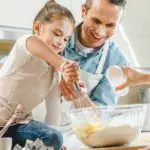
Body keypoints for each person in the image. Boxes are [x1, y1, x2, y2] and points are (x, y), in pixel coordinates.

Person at [0, 0, 79, 149]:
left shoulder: (54, 75)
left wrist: (56, 142)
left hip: (15, 127)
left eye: (66, 39)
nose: (61, 42)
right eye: (57, 34)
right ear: (37, 28)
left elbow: (52, 114)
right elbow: (33, 42)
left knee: (53, 136)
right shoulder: (24, 48)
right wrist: (62, 64)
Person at [59, 0, 129, 107]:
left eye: (110, 25)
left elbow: (100, 116)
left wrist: (82, 98)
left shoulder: (117, 62)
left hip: (76, 124)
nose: (100, 32)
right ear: (83, 11)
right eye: (96, 21)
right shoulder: (56, 35)